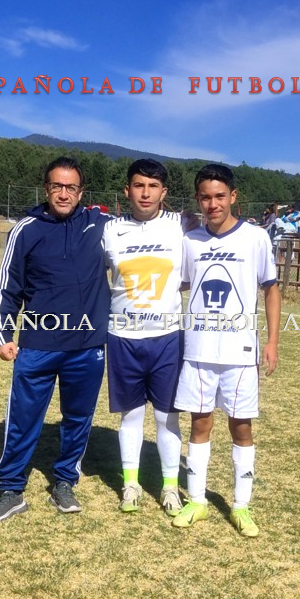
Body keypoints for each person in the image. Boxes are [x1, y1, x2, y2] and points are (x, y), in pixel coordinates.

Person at [0, 156, 110, 522]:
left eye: (71, 187)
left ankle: (65, 482)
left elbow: (146, 226)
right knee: (23, 418)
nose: (64, 194)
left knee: (78, 418)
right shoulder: (26, 229)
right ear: (46, 188)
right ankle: (11, 489)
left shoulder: (100, 225)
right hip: (38, 345)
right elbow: (7, 287)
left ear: (81, 192)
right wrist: (2, 334)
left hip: (86, 346)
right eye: (57, 186)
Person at [171, 164, 281, 538]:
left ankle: (241, 506)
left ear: (233, 196)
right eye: (205, 197)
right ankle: (197, 501)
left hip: (240, 352)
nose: (213, 204)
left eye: (220, 196)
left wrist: (272, 342)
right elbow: (179, 285)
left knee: (241, 427)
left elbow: (271, 288)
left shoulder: (256, 238)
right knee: (199, 424)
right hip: (198, 349)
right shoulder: (190, 240)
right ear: (197, 199)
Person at [103, 159, 185, 516]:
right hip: (123, 337)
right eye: (139, 185)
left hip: (167, 337)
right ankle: (131, 484)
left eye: (153, 187)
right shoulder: (110, 230)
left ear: (163, 192)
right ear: (127, 190)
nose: (145, 193)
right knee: (131, 416)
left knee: (168, 418)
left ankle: (170, 488)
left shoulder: (181, 226)